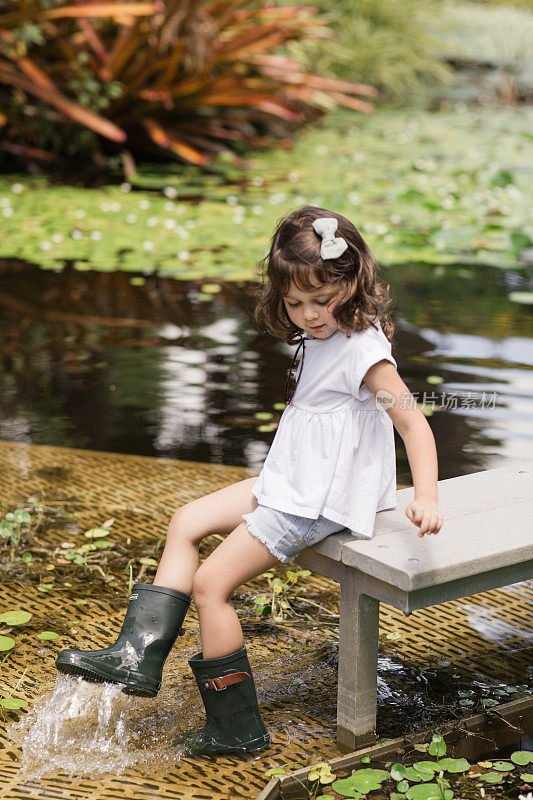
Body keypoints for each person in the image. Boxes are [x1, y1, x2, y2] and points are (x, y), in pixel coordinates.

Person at [55, 206, 444, 756]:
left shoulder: (363, 349)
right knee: (185, 520)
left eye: (320, 301)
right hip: (292, 479)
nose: (308, 315)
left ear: (351, 284)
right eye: (294, 303)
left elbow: (412, 421)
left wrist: (424, 495)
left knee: (211, 585)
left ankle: (235, 727)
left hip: (315, 500)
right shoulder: (323, 334)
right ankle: (136, 655)